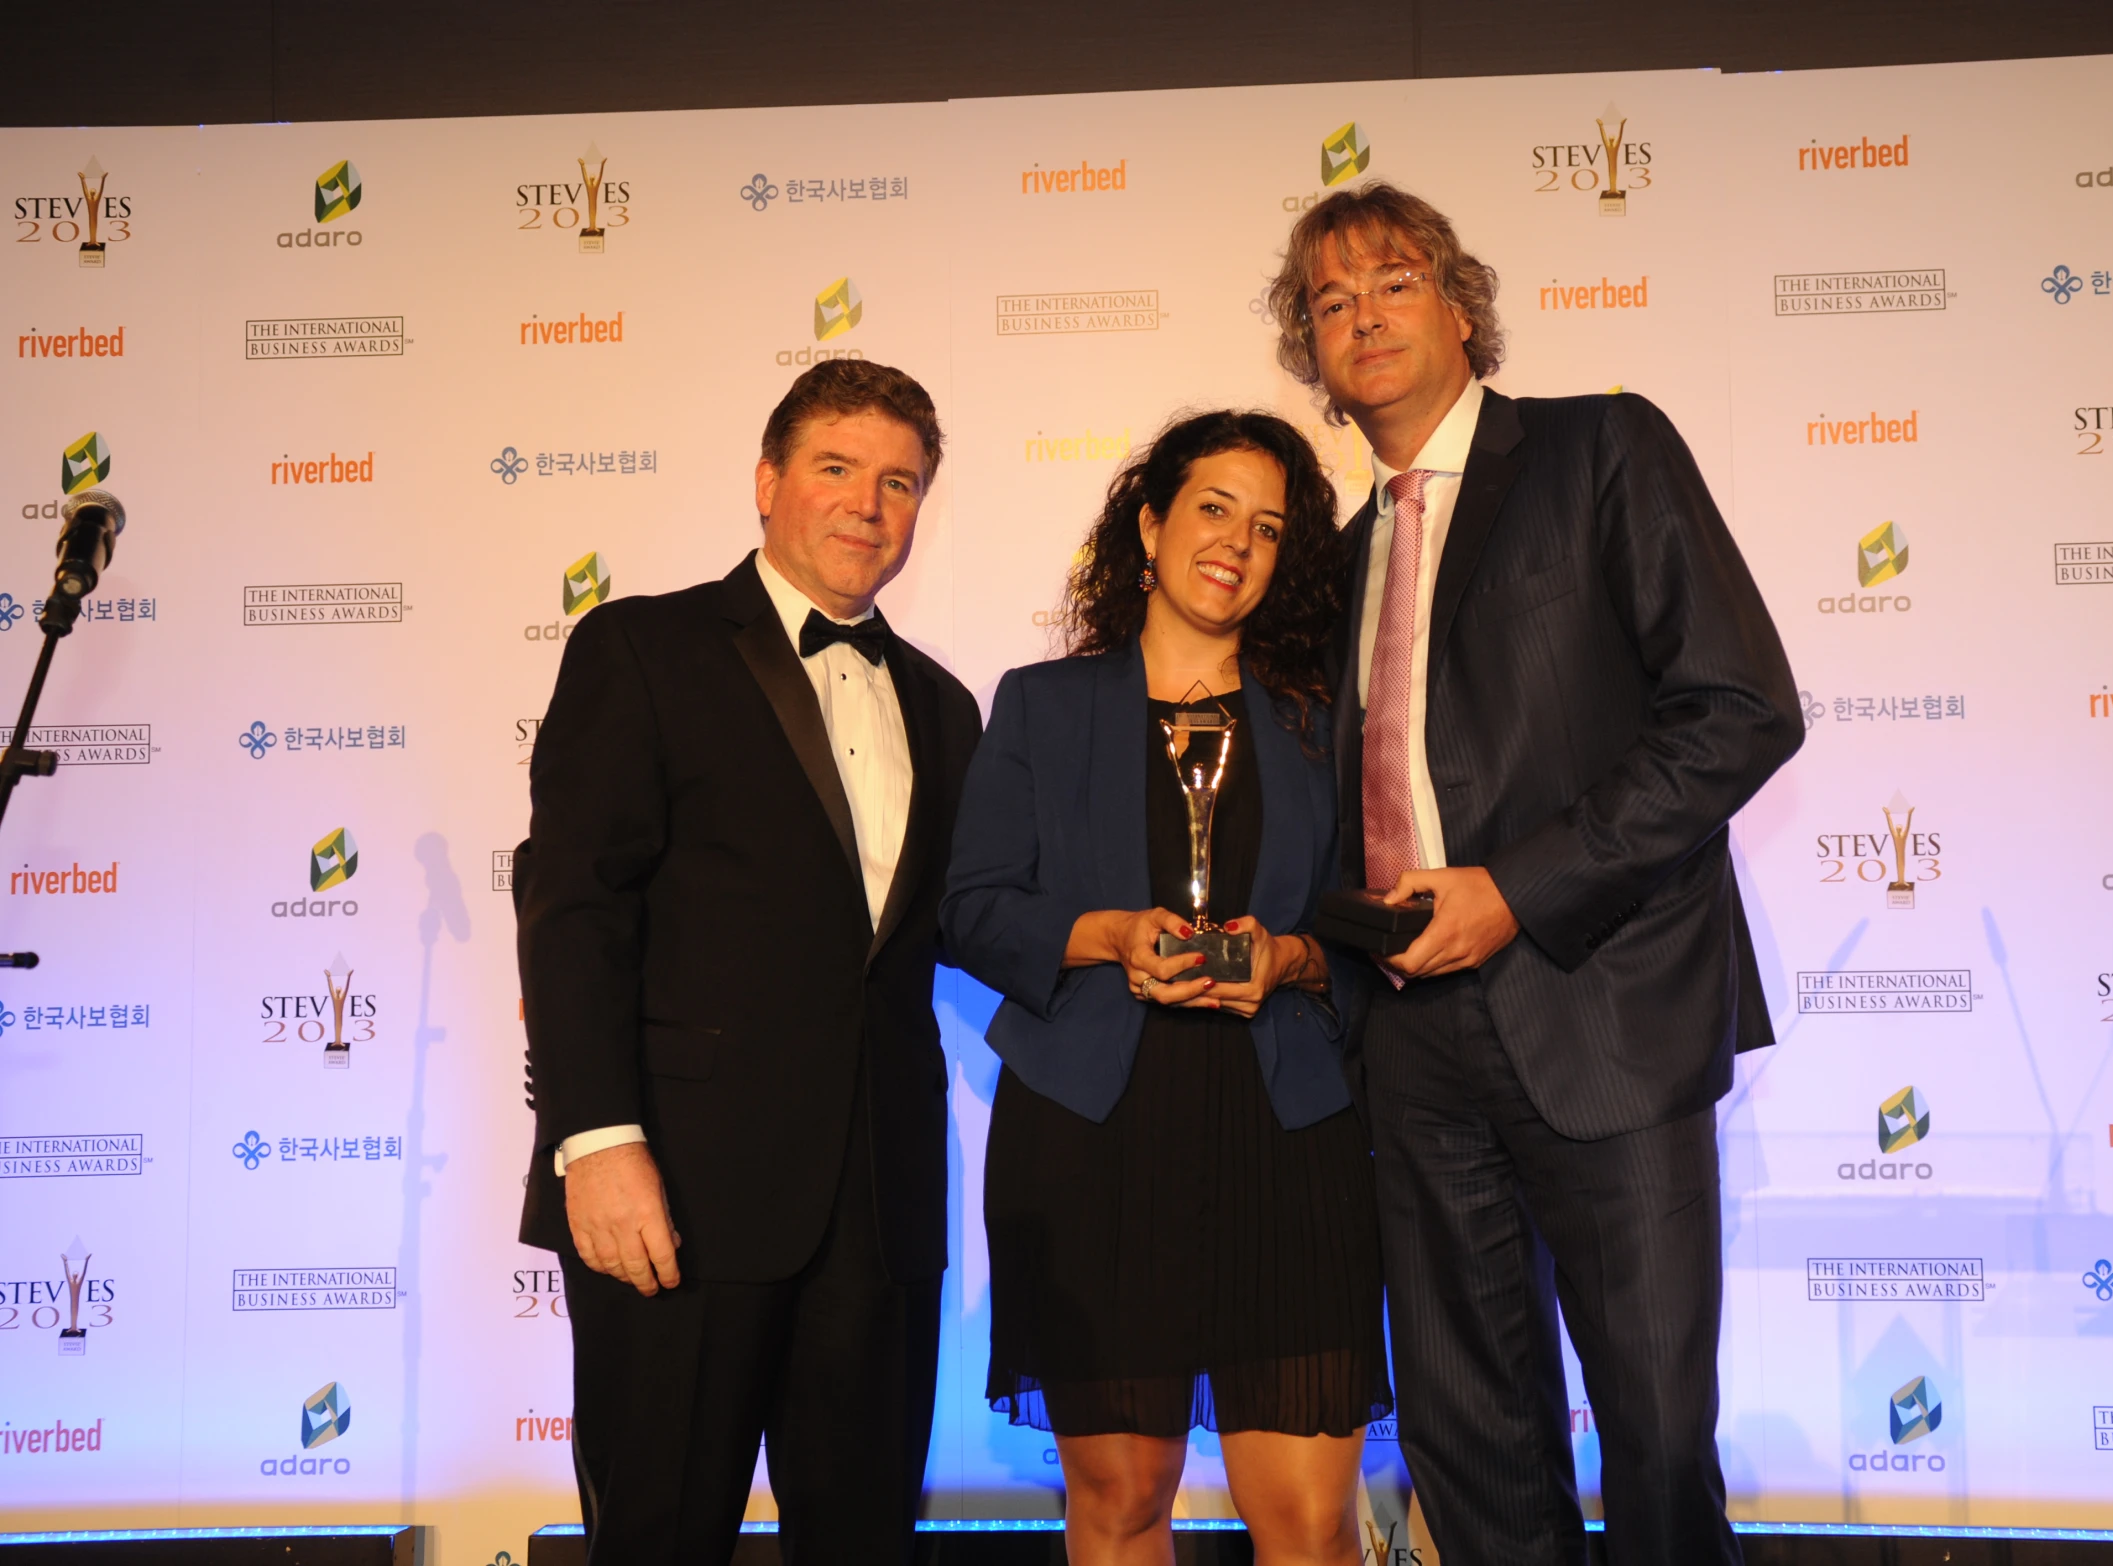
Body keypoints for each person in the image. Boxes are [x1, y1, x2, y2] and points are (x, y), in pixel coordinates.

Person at [1265, 183, 1802, 1565]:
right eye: (1329, 301)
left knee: (1657, 1435)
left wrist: (1515, 887)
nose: (1361, 316)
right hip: (1408, 1043)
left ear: (1459, 306)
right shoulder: (1331, 555)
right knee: (1472, 1443)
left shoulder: (1598, 449)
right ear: (1307, 350)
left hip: (1601, 1009)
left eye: (1390, 282)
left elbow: (1738, 707)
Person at [512, 359, 981, 1565]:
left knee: (867, 1540)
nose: (868, 506)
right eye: (836, 469)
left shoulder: (943, 705)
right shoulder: (642, 647)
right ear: (767, 482)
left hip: (879, 1210)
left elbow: (954, 929)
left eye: (899, 482)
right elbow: (574, 908)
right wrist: (598, 1144)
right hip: (678, 1198)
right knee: (661, 1534)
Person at [942, 411, 1388, 1566]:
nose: (1238, 541)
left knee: (1304, 1518)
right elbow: (970, 905)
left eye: (1271, 527)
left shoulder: (1323, 722)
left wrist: (1287, 960)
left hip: (1287, 1134)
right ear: (1150, 523)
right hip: (1093, 1140)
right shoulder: (1040, 705)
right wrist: (1102, 934)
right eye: (1213, 508)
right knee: (1123, 1504)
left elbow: (1371, 926)